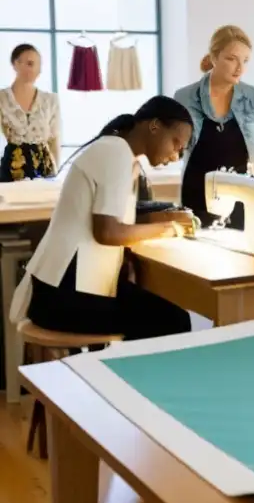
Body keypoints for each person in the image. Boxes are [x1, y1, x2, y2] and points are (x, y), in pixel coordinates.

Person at [8, 96, 195, 341]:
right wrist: (168, 228)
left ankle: (123, 375)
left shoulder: (120, 152)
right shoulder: (115, 152)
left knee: (161, 312)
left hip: (59, 291)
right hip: (62, 298)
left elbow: (117, 221)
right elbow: (108, 232)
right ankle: (123, 377)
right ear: (154, 126)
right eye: (176, 143)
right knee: (172, 320)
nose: (176, 155)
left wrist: (163, 222)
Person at [174, 25, 254, 228]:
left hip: (243, 192)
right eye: (232, 59)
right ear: (214, 57)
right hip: (197, 191)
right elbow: (174, 145)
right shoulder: (184, 97)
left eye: (245, 60)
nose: (240, 68)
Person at [0, 44, 60, 181]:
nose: (34, 69)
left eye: (37, 65)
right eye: (29, 63)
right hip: (12, 169)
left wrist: (57, 171)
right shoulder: (2, 98)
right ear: (15, 64)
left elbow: (55, 138)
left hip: (44, 169)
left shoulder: (50, 100)